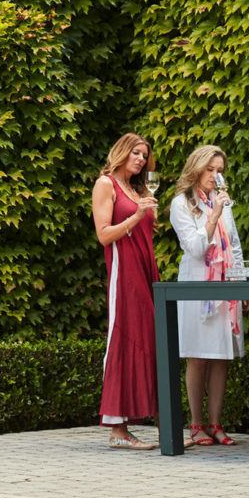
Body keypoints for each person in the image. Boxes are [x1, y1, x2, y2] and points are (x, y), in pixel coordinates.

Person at [168, 145, 243, 446]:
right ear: (196, 169)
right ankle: (196, 424)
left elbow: (234, 246)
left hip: (225, 286)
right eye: (210, 169)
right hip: (198, 286)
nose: (215, 175)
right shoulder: (180, 204)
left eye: (220, 170)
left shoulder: (223, 202)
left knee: (221, 356)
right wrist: (213, 217)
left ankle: (216, 422)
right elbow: (196, 248)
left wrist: (241, 283)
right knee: (198, 355)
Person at [92, 133, 160, 450]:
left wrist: (149, 216)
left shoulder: (137, 190)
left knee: (148, 339)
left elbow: (145, 230)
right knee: (124, 338)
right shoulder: (106, 184)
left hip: (146, 271)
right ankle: (117, 430)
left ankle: (152, 421)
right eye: (135, 153)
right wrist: (135, 216)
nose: (140, 159)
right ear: (121, 152)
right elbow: (104, 235)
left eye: (144, 156)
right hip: (124, 274)